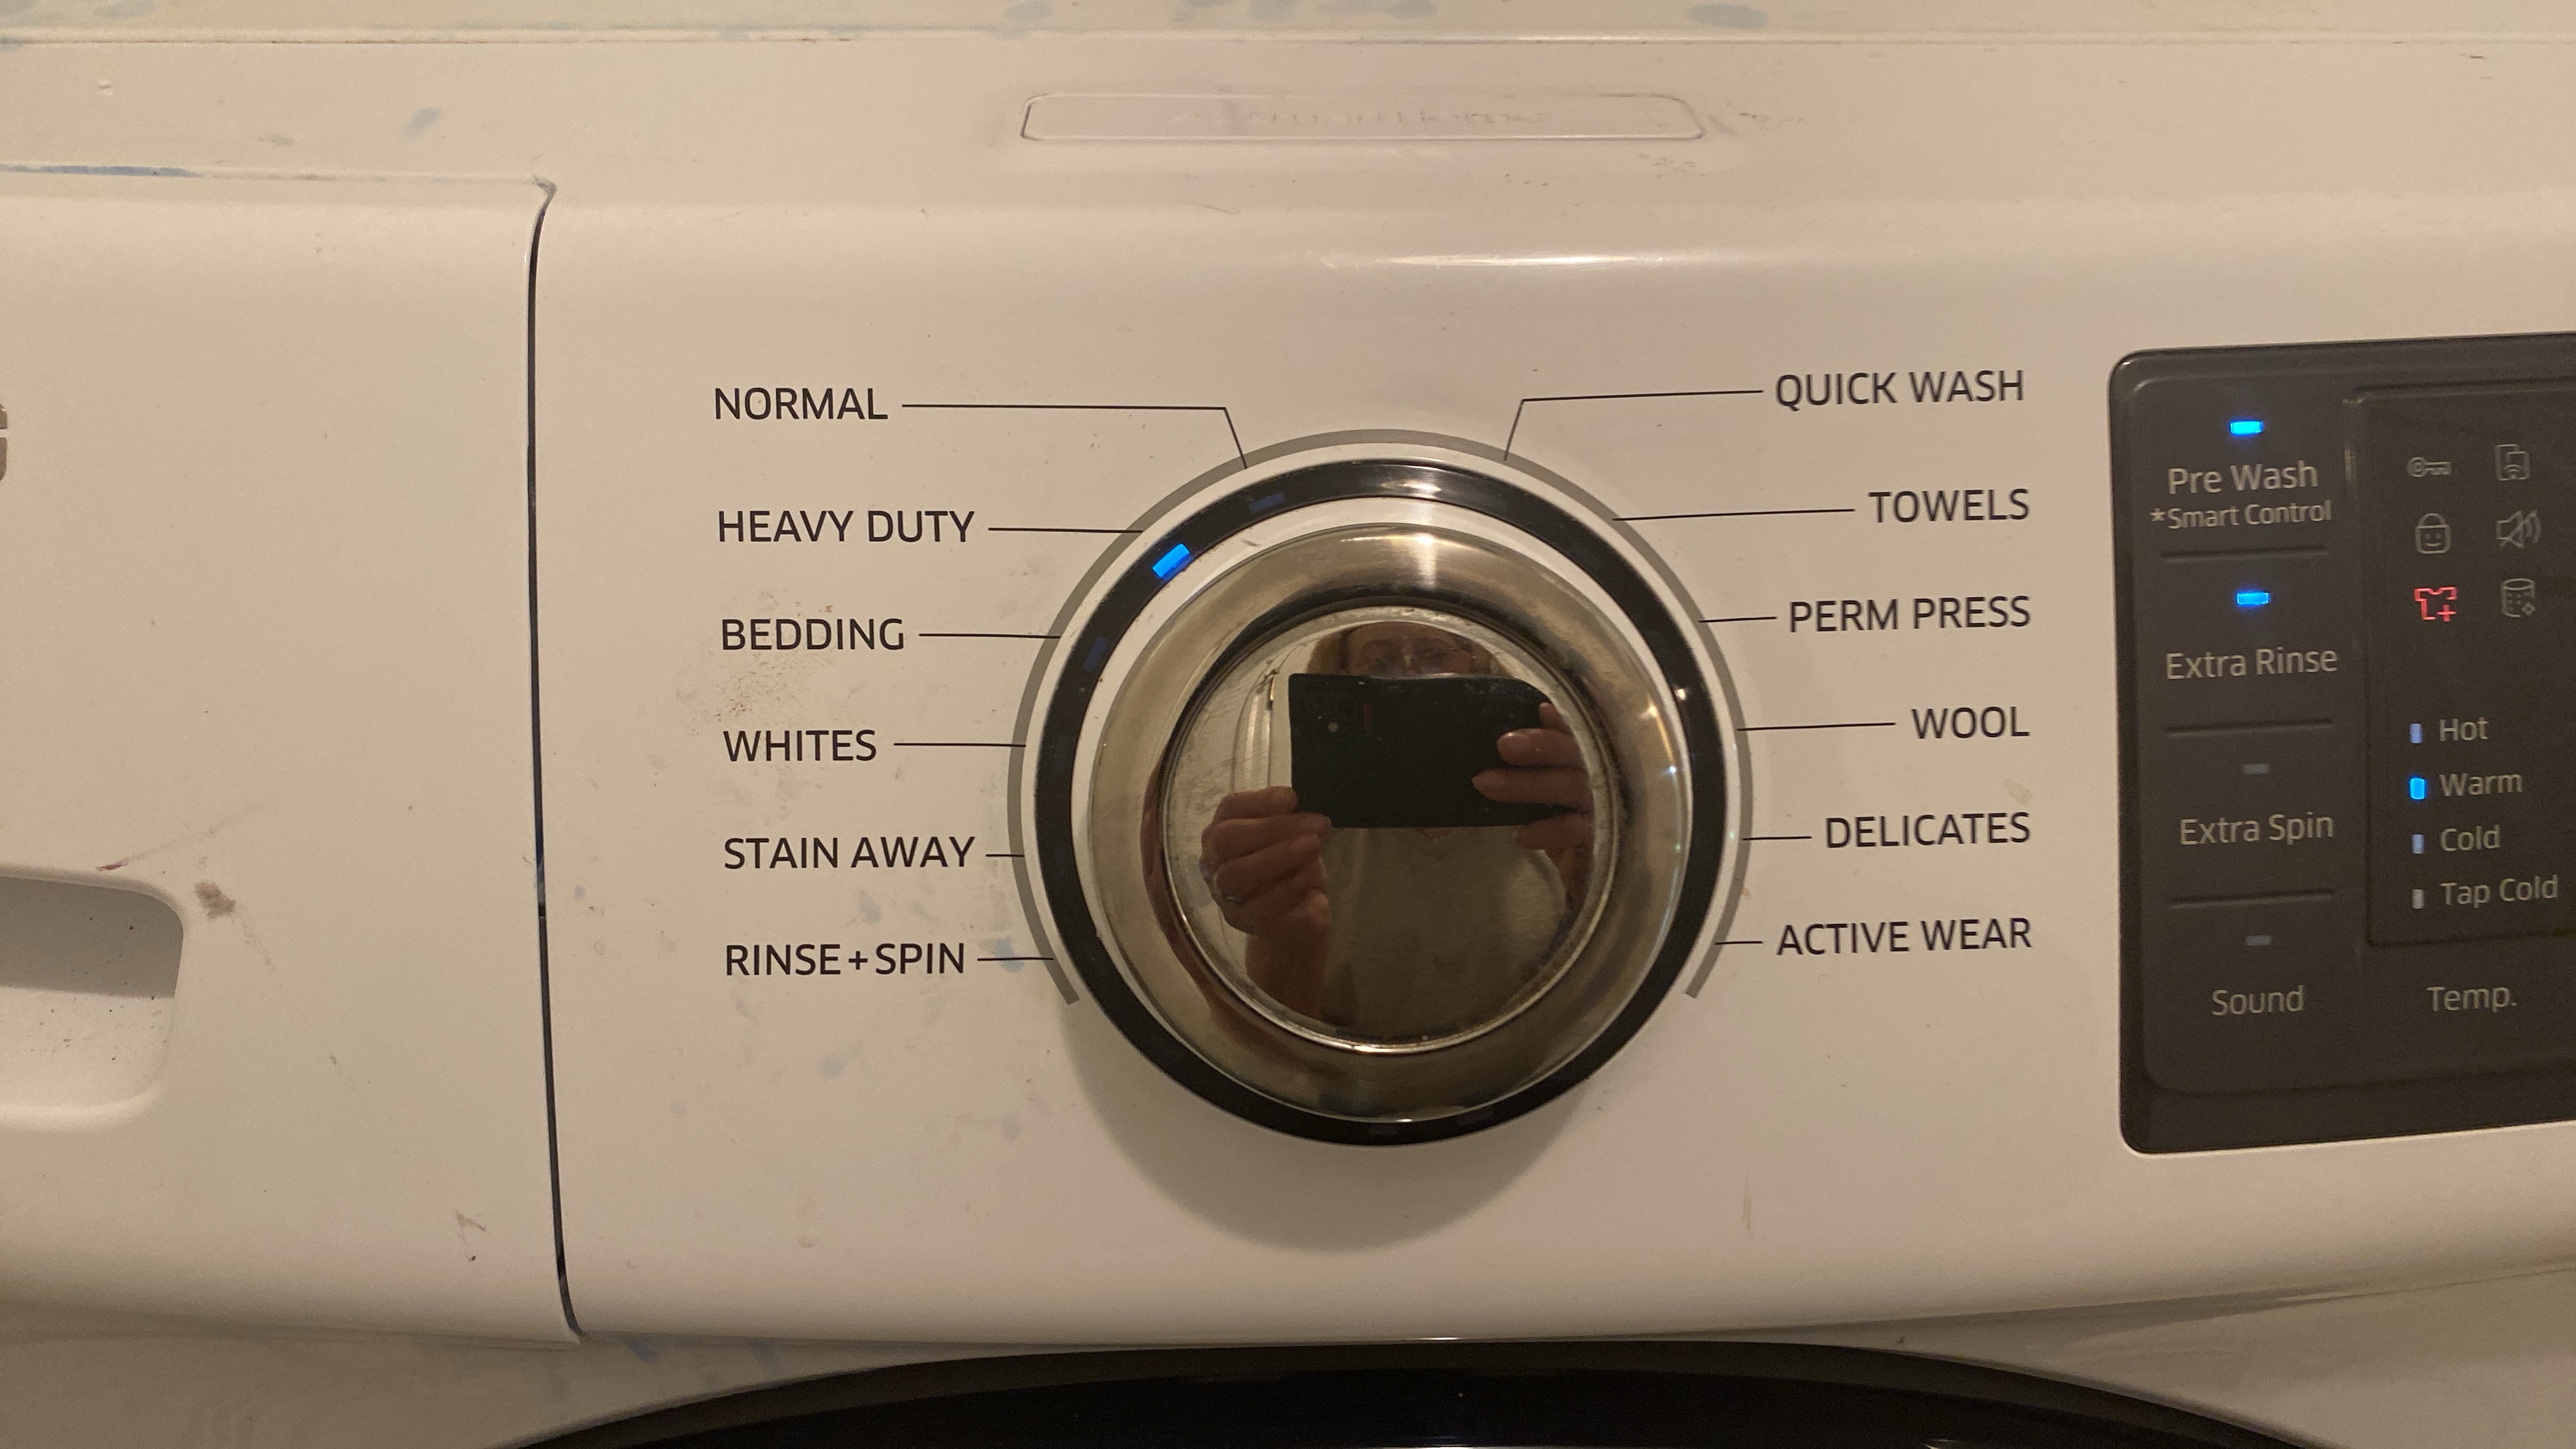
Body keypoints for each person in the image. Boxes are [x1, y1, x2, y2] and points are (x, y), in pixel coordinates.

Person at [1197, 621, 1592, 1039]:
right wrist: (1276, 937)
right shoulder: (1307, 840)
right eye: (1379, 663)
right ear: (1341, 682)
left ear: (1480, 667)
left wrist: (1605, 828)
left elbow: (1594, 973)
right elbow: (1278, 1040)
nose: (1409, 678)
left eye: (1435, 657)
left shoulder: (1541, 808)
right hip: (1352, 1075)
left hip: (1538, 1064)